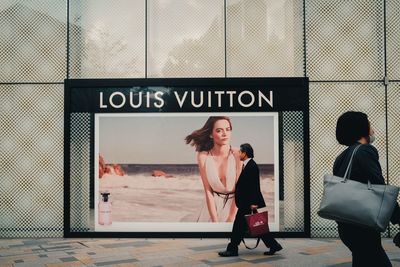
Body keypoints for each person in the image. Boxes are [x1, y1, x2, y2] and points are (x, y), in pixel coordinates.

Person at [334, 111, 400, 267]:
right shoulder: (365, 150)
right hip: (362, 225)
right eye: (369, 123)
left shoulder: (341, 156)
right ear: (361, 128)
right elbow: (380, 187)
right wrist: (397, 217)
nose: (372, 128)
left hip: (346, 225)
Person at [218, 143, 282, 257]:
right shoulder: (248, 165)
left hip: (247, 204)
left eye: (240, 152)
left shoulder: (251, 166)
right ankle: (274, 245)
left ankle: (232, 249)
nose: (238, 154)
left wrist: (253, 203)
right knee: (258, 225)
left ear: (244, 153)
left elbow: (254, 186)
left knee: (239, 227)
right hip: (246, 203)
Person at [185, 116, 242, 222]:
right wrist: (214, 219)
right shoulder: (203, 156)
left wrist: (230, 218)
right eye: (219, 130)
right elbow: (208, 191)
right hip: (212, 209)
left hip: (237, 207)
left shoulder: (239, 154)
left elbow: (241, 190)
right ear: (211, 134)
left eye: (228, 129)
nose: (225, 134)